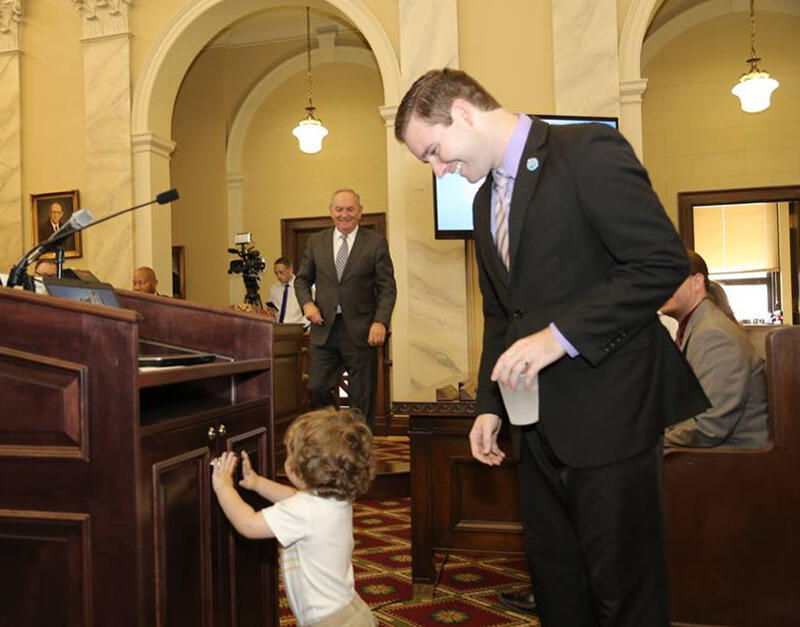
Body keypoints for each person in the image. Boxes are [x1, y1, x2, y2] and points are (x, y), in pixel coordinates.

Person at [394, 68, 707, 626]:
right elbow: (500, 316)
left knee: (624, 598)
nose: (440, 171)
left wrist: (558, 337)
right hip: (536, 428)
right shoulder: (482, 200)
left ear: (464, 112)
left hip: (612, 415)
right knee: (559, 588)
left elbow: (661, 263)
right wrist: (488, 405)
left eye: (435, 152)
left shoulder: (586, 150)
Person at [211, 408, 377, 626]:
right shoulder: (337, 499)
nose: (287, 459)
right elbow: (294, 497)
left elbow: (248, 524)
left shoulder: (304, 510)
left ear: (299, 469)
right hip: (350, 611)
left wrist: (224, 487)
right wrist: (258, 483)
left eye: (291, 454)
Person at [294, 189, 397, 430]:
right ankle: (333, 433)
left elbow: (387, 288)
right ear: (331, 212)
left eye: (350, 209)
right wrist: (307, 303)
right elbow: (301, 280)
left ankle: (359, 444)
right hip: (324, 328)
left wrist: (380, 321)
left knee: (361, 397)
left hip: (362, 331)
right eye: (339, 209)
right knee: (316, 386)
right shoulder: (316, 241)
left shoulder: (375, 243)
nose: (344, 214)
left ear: (360, 212)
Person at [660, 251, 769, 448]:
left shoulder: (713, 334)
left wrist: (647, 442)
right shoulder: (696, 328)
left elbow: (709, 426)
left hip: (736, 462)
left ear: (697, 282)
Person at [268, 257, 308, 325]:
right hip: (279, 328)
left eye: (281, 272)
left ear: (290, 270)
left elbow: (311, 311)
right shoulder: (273, 289)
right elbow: (272, 312)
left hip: (297, 328)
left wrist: (303, 327)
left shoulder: (303, 287)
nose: (278, 276)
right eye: (276, 273)